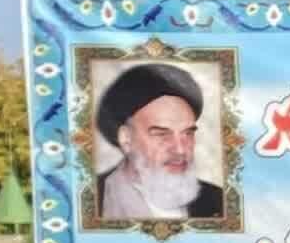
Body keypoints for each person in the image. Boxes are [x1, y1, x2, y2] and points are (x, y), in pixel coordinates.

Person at [94, 63, 224, 220]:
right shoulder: (93, 199)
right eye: (162, 135)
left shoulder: (218, 200)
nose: (180, 150)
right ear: (126, 139)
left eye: (188, 133)